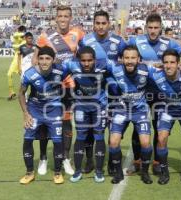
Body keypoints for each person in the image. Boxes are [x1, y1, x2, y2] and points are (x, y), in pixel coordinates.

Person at [128, 12, 181, 175]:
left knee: (157, 127)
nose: (153, 31)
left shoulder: (168, 42)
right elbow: (125, 57)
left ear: (161, 28)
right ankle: (137, 160)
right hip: (140, 90)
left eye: (156, 28)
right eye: (150, 27)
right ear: (145, 28)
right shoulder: (136, 41)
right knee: (138, 126)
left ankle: (156, 161)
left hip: (160, 92)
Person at [32, 5, 85, 176]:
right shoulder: (45, 37)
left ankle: (65, 158)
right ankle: (43, 158)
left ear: (71, 18)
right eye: (60, 16)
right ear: (56, 18)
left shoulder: (78, 34)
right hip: (50, 88)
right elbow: (35, 60)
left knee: (66, 123)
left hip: (69, 88)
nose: (63, 19)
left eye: (66, 16)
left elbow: (85, 54)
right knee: (44, 123)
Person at [79, 10, 127, 175]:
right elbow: (79, 63)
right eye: (97, 23)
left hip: (113, 91)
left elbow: (127, 60)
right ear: (93, 24)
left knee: (112, 126)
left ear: (109, 24)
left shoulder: (118, 41)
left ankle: (113, 162)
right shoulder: (85, 40)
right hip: (92, 91)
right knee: (92, 128)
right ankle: (90, 160)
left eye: (103, 23)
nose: (100, 26)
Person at [108, 45, 156, 184]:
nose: (130, 61)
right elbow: (96, 63)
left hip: (139, 111)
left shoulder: (146, 70)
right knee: (113, 143)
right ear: (121, 59)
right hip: (120, 110)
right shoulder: (115, 68)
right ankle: (118, 173)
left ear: (139, 59)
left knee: (146, 143)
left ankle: (145, 172)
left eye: (133, 58)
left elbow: (164, 71)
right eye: (127, 58)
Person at [18, 46, 67, 184]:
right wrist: (26, 114)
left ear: (53, 60)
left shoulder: (61, 70)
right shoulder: (29, 74)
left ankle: (57, 173)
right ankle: (29, 173)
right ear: (37, 60)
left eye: (48, 59)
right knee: (27, 139)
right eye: (41, 58)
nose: (44, 62)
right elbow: (21, 93)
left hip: (54, 111)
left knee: (57, 141)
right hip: (35, 111)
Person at [62, 47, 109, 183]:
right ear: (79, 60)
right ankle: (77, 171)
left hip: (99, 107)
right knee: (81, 136)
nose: (86, 63)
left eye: (89, 60)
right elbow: (56, 73)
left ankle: (99, 171)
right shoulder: (71, 65)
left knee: (99, 136)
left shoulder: (105, 65)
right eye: (83, 61)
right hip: (81, 107)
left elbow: (121, 69)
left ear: (95, 60)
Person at [151, 49, 181, 186]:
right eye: (165, 62)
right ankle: (164, 172)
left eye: (172, 62)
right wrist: (156, 65)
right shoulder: (155, 75)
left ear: (178, 64)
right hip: (166, 110)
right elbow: (138, 64)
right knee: (161, 138)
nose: (168, 65)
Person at [7, 25, 26, 100]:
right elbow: (15, 37)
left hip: (23, 58)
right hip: (16, 58)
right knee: (9, 74)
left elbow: (15, 36)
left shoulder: (24, 41)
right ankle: (11, 92)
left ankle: (27, 94)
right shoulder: (18, 39)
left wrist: (17, 33)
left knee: (24, 77)